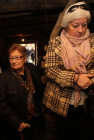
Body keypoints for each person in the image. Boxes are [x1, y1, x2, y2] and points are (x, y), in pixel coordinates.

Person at [42, 2, 94, 140]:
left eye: (84, 25)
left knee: (83, 132)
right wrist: (75, 78)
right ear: (66, 25)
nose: (81, 30)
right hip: (61, 100)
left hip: (87, 100)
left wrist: (89, 80)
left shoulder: (93, 41)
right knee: (64, 132)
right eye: (75, 25)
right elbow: (51, 70)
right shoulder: (56, 43)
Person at [0, 43, 44, 140]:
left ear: (24, 58)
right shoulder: (4, 78)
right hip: (16, 122)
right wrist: (17, 122)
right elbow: (1, 104)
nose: (14, 61)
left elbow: (38, 90)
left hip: (34, 118)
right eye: (11, 58)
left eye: (17, 57)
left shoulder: (32, 69)